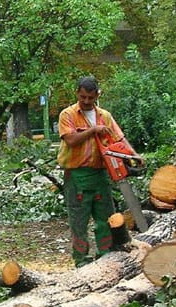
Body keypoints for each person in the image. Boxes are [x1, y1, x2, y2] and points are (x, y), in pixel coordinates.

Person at [57, 76, 129, 267]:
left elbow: (119, 139)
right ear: (77, 94)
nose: (87, 101)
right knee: (79, 222)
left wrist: (132, 156)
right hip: (76, 175)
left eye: (91, 97)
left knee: (105, 218)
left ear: (97, 94)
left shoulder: (105, 116)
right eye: (83, 97)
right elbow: (71, 140)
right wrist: (93, 130)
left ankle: (106, 255)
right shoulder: (68, 115)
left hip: (100, 174)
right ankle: (81, 260)